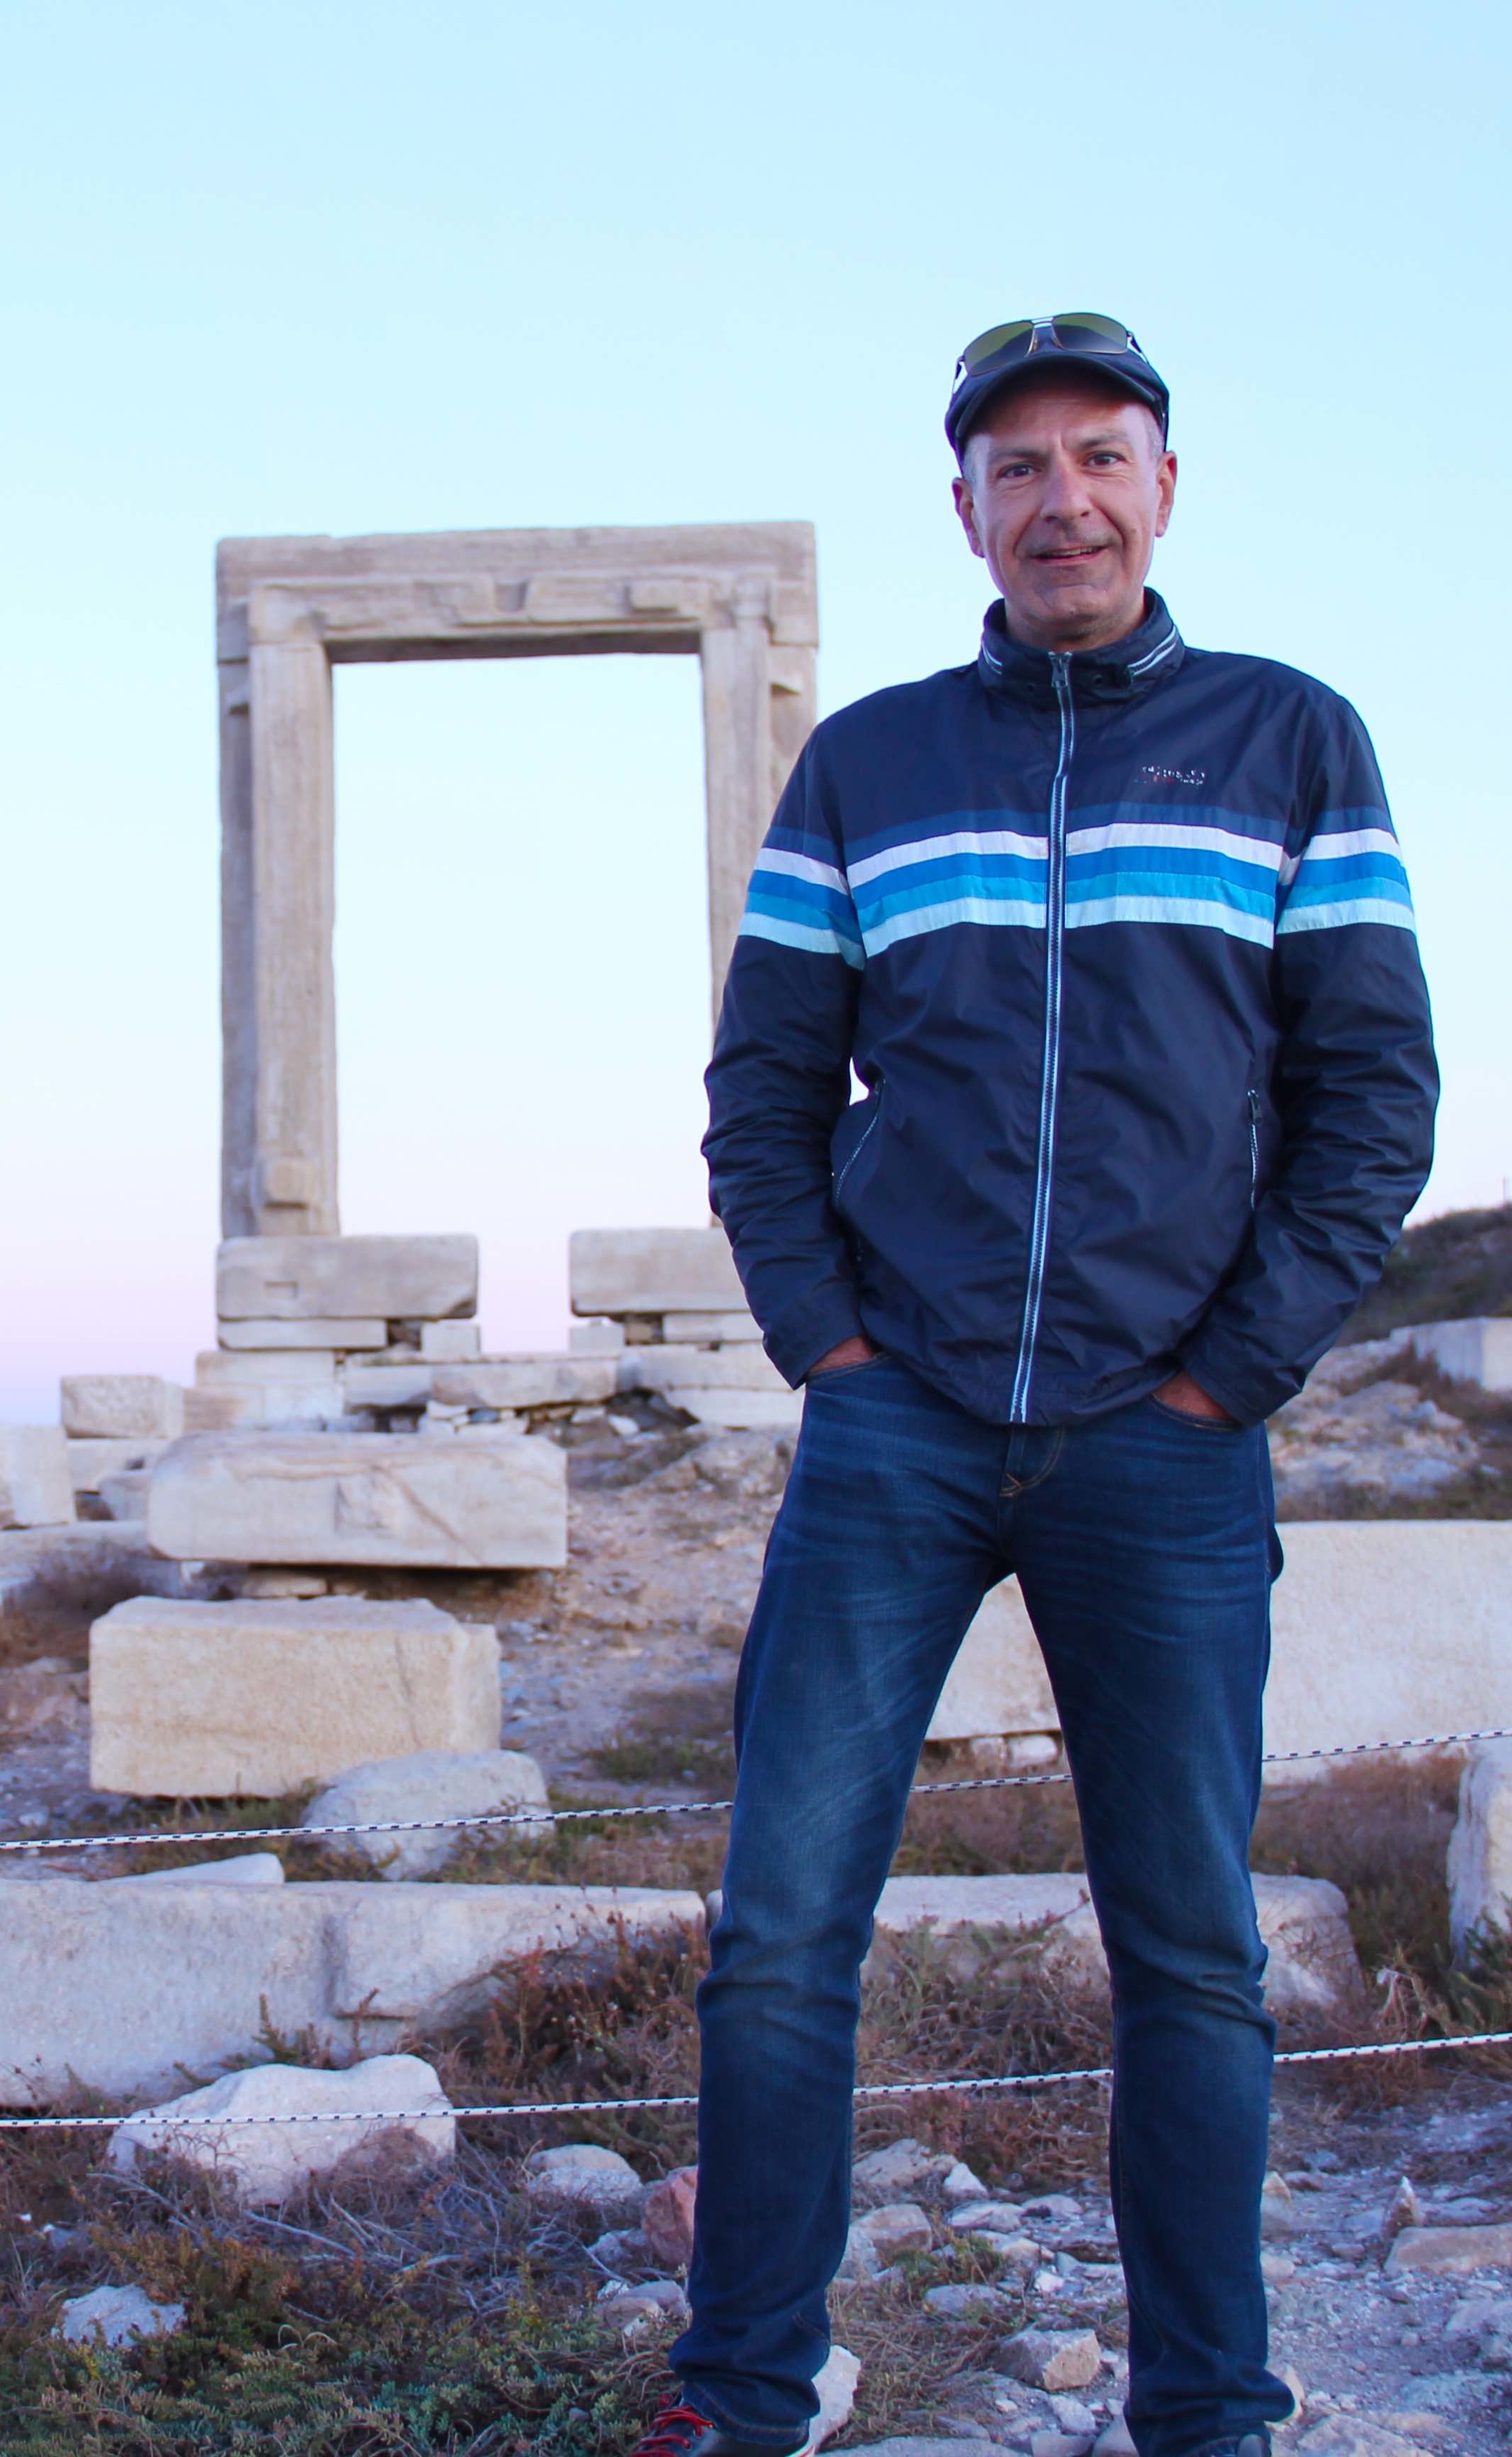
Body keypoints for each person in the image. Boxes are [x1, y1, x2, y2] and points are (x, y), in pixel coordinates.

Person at [627, 316, 1438, 2457]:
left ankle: (1210, 2416)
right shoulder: (866, 765)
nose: (1061, 497)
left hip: (1162, 1440)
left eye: (1100, 455)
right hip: (896, 1430)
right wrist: (828, 1342)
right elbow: (764, 1092)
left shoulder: (1292, 740)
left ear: (1165, 484)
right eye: (1017, 467)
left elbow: (1375, 1098)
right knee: (781, 1938)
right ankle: (745, 2399)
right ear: (968, 511)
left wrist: (1230, 1376)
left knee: (1190, 1955)